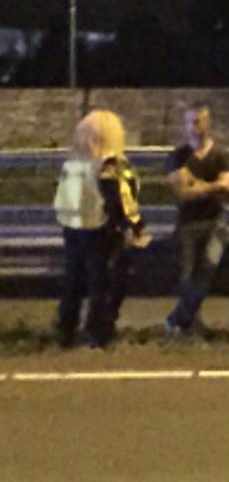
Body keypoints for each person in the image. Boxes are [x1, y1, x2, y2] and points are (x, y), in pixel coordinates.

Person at [52, 110, 150, 348]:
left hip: (73, 230)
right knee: (102, 285)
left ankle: (66, 331)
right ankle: (99, 334)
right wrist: (136, 227)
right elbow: (122, 200)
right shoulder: (108, 165)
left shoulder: (72, 164)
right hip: (100, 231)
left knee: (73, 283)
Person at [164, 103, 229, 336]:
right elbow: (183, 192)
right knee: (187, 275)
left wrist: (198, 185)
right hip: (187, 223)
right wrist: (214, 185)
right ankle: (188, 323)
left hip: (215, 222)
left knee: (209, 265)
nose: (196, 126)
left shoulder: (221, 155)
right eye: (191, 122)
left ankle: (177, 319)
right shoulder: (178, 156)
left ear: (208, 123)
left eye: (200, 121)